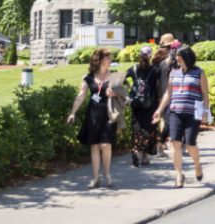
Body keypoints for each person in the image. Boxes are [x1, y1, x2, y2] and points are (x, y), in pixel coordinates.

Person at [152, 45, 210, 188]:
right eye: (176, 56)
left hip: (192, 114)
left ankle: (197, 164)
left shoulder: (199, 72)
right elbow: (168, 94)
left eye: (179, 56)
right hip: (175, 112)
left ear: (187, 57)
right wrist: (159, 110)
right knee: (175, 142)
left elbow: (205, 94)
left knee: (190, 143)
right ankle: (179, 174)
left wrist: (205, 111)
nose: (176, 58)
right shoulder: (174, 72)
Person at [67, 48, 117, 188]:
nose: (110, 60)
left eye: (110, 58)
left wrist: (114, 93)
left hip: (108, 113)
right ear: (99, 60)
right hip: (93, 113)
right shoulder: (88, 77)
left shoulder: (114, 76)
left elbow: (122, 93)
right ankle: (96, 178)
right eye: (107, 58)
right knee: (94, 146)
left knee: (106, 145)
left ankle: (107, 175)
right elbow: (81, 96)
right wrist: (73, 112)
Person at [125, 45, 161, 167]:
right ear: (150, 56)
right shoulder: (155, 69)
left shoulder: (133, 68)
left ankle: (136, 150)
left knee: (137, 128)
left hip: (136, 103)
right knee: (149, 129)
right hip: (150, 104)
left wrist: (130, 87)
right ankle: (145, 156)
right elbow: (158, 87)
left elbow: (121, 78)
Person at [152, 34, 177, 157]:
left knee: (164, 119)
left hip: (160, 92)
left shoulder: (156, 57)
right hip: (168, 92)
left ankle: (164, 143)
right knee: (168, 120)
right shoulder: (169, 60)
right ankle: (162, 144)